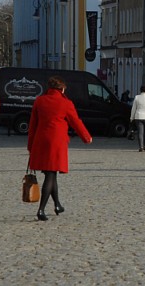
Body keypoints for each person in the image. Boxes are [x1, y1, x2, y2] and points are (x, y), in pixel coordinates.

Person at [28, 76, 92, 221]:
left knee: (51, 173)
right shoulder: (65, 103)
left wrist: (30, 145)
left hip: (40, 140)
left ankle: (57, 205)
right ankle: (41, 209)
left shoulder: (40, 101)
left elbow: (33, 124)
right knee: (51, 174)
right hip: (56, 142)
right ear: (61, 89)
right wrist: (86, 137)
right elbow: (76, 122)